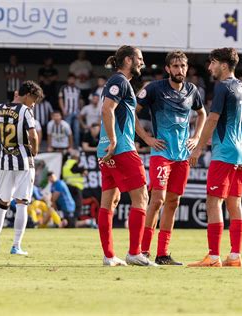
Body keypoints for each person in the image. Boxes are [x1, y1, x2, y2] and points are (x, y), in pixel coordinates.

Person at [135, 50, 206, 265]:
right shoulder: (155, 89)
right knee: (157, 200)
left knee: (173, 202)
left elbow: (202, 114)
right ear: (168, 69)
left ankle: (163, 254)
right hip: (161, 153)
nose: (180, 70)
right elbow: (132, 112)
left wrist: (195, 137)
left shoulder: (192, 90)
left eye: (183, 66)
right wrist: (146, 138)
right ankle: (143, 251)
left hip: (182, 156)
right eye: (175, 66)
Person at [188, 47, 242, 268]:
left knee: (213, 201)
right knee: (235, 203)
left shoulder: (222, 87)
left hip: (224, 152)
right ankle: (235, 256)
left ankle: (213, 257)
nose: (209, 67)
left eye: (212, 62)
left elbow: (212, 119)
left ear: (224, 65)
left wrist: (198, 148)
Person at [97, 45, 154, 267]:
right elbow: (106, 109)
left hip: (107, 150)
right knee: (142, 198)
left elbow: (120, 114)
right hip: (120, 149)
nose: (142, 62)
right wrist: (113, 140)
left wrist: (145, 139)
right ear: (129, 60)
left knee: (109, 202)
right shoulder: (119, 81)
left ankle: (109, 255)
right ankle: (134, 253)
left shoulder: (121, 83)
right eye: (139, 59)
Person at [0, 80, 43, 256]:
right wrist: (34, 151)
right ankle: (16, 246)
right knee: (22, 203)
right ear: (26, 95)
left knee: (2, 203)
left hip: (5, 161)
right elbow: (33, 136)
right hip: (23, 161)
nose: (33, 104)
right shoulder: (26, 111)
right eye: (33, 100)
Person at [58, 74, 82, 148]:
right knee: (66, 130)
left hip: (76, 112)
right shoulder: (63, 88)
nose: (71, 81)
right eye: (70, 79)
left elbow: (80, 100)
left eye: (73, 79)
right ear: (68, 80)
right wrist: (63, 110)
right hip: (67, 112)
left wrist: (79, 111)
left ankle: (77, 146)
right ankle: (67, 146)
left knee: (77, 130)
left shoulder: (78, 89)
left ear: (75, 80)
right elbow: (60, 99)